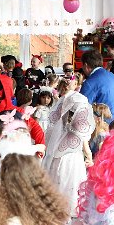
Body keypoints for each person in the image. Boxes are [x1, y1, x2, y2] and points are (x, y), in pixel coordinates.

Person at [43, 76, 95, 216]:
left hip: (56, 153)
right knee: (70, 184)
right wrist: (89, 155)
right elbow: (82, 138)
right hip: (72, 155)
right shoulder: (78, 105)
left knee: (56, 180)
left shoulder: (60, 104)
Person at [80, 50, 114, 121]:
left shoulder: (90, 82)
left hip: (110, 123)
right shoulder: (112, 76)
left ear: (85, 65)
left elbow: (81, 108)